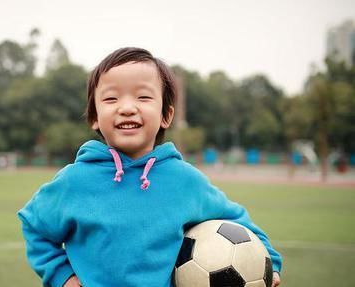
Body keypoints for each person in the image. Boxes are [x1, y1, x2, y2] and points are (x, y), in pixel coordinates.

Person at [17, 47, 282, 287]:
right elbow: (34, 224)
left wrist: (269, 262)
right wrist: (63, 277)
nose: (127, 108)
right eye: (111, 99)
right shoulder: (75, 181)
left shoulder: (185, 181)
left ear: (166, 115)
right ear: (95, 117)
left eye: (143, 97)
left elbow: (236, 221)